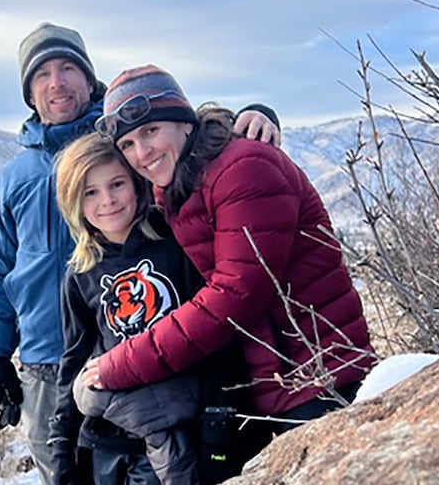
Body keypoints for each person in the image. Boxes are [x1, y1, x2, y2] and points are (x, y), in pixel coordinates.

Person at [0, 23, 281, 484]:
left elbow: (186, 143)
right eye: (42, 75)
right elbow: (2, 270)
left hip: (168, 371)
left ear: (89, 78)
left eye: (67, 68)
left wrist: (251, 119)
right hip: (55, 365)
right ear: (29, 92)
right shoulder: (15, 177)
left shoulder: (127, 143)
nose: (56, 83)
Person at [83, 64, 376, 435]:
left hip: (321, 373)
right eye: (127, 144)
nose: (141, 153)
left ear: (184, 122)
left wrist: (124, 363)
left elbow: (236, 296)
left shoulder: (244, 167)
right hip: (276, 381)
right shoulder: (177, 188)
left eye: (150, 131)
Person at [50, 133, 206, 484]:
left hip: (177, 427)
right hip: (107, 437)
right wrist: (63, 445)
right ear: (74, 203)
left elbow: (213, 329)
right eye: (90, 192)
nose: (107, 201)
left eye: (116, 184)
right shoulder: (80, 274)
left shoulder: (176, 242)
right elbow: (74, 361)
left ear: (136, 184)